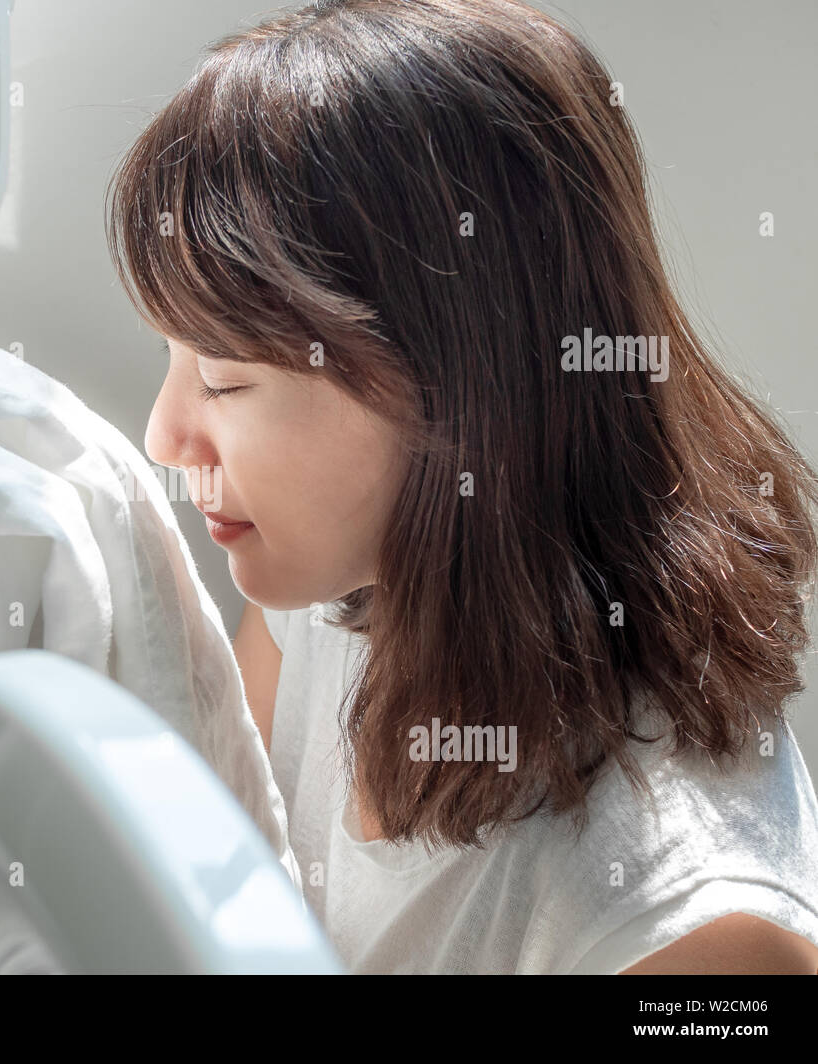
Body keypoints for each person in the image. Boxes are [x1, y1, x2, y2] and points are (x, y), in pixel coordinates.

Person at [105, 0, 818, 973]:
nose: (164, 434)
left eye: (226, 379)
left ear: (456, 387)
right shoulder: (329, 586)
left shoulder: (693, 936)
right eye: (171, 356)